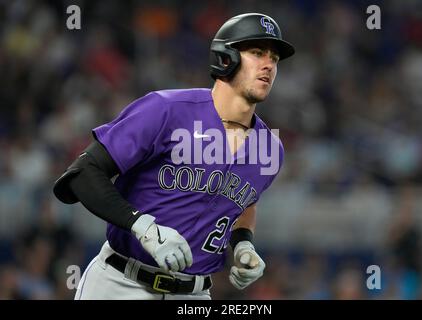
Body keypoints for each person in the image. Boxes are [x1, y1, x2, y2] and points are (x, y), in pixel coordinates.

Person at [53, 12, 295, 300]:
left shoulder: (269, 147)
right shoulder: (166, 110)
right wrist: (142, 227)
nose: (269, 64)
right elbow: (82, 173)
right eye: (257, 53)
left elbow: (243, 202)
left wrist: (243, 244)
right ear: (225, 57)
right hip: (121, 282)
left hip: (193, 294)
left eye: (274, 58)